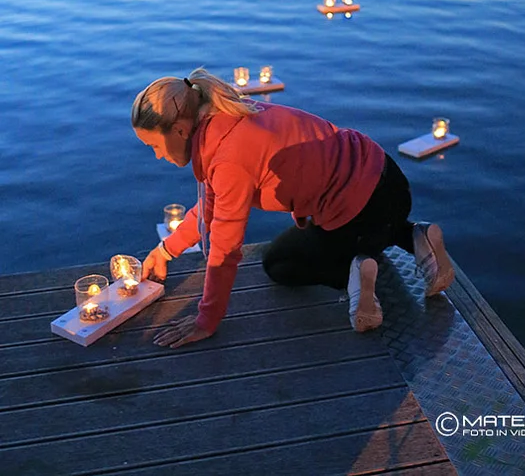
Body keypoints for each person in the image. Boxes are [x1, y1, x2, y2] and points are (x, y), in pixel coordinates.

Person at [133, 68, 455, 348]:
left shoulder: (227, 158)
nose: (157, 156)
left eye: (154, 146)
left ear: (178, 130)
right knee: (363, 227)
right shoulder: (228, 115)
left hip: (356, 212)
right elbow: (210, 209)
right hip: (389, 181)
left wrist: (206, 319)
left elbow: (225, 247)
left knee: (279, 263)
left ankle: (354, 273)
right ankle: (415, 236)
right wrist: (165, 252)